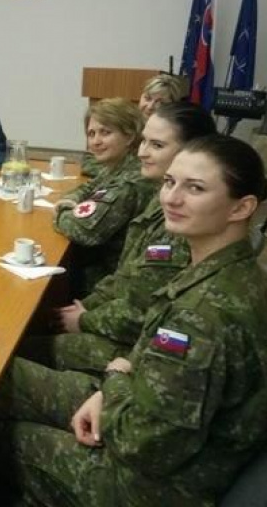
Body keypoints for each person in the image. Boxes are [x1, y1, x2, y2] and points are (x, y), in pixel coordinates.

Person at [0, 134, 267, 507]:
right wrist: (112, 387)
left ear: (241, 208)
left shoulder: (201, 315)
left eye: (195, 188)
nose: (171, 198)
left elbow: (142, 444)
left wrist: (115, 379)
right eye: (170, 182)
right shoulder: (229, 272)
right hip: (146, 416)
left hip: (150, 486)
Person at [35, 103, 216, 374]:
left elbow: (140, 315)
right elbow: (127, 276)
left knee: (13, 355)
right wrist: (87, 308)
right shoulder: (160, 202)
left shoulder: (179, 224)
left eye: (156, 145)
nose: (142, 152)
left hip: (133, 353)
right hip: (117, 320)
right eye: (145, 142)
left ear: (191, 152)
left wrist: (85, 320)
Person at [54, 98, 154, 297]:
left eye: (105, 132)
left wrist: (61, 211)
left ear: (129, 136)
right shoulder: (118, 166)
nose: (96, 141)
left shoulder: (129, 181)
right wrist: (72, 201)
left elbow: (83, 231)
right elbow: (88, 187)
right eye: (91, 134)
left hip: (106, 281)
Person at [82, 73, 185, 177]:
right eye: (147, 98)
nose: (150, 106)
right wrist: (110, 171)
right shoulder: (128, 119)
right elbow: (89, 159)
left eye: (161, 102)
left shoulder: (169, 135)